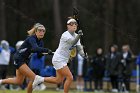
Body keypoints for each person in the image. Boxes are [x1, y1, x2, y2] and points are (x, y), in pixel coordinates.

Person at [0, 23, 52, 93]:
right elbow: (35, 48)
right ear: (36, 32)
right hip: (19, 59)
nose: (41, 32)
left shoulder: (41, 42)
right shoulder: (31, 38)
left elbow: (39, 54)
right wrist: (46, 50)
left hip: (25, 61)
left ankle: (1, 81)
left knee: (18, 81)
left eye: (43, 31)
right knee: (34, 78)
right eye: (40, 30)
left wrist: (44, 53)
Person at [43, 18, 86, 93]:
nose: (74, 25)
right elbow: (73, 42)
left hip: (64, 60)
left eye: (75, 24)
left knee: (58, 80)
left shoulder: (76, 36)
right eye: (72, 24)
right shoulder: (65, 35)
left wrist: (83, 54)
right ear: (68, 26)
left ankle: (39, 79)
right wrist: (79, 35)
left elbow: (79, 48)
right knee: (70, 77)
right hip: (58, 58)